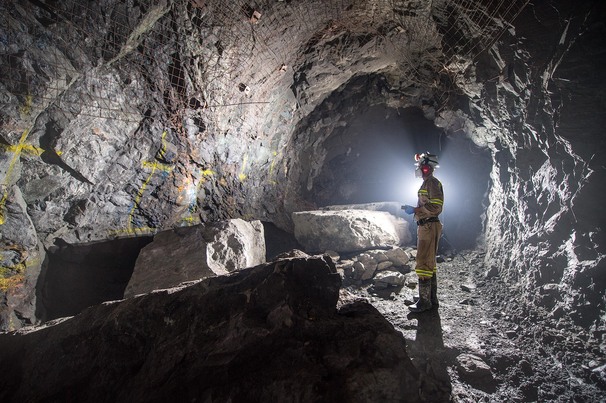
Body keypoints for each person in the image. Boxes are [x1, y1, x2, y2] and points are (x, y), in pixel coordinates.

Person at [402, 152, 444, 313]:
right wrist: (415, 210)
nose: (419, 169)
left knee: (423, 263)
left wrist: (416, 209)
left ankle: (424, 303)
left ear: (427, 168)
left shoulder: (432, 183)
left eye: (421, 166)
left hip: (429, 226)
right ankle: (431, 299)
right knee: (429, 264)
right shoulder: (427, 184)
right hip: (426, 225)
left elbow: (436, 208)